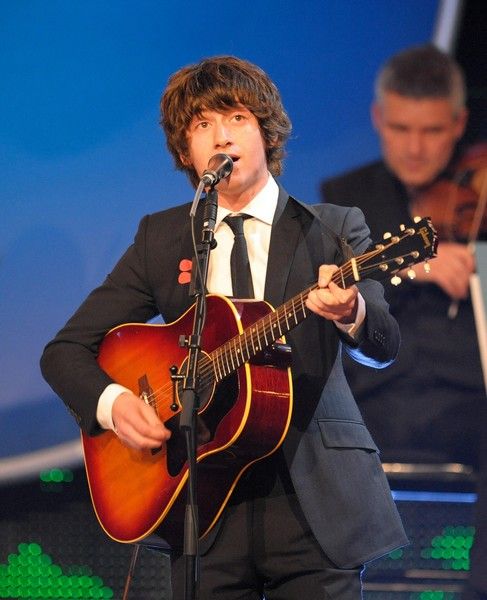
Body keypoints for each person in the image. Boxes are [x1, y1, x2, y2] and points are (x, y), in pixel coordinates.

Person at [40, 55, 408, 599]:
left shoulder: (332, 227)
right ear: (186, 152)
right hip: (201, 504)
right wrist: (115, 404)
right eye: (201, 124)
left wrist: (350, 313)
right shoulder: (162, 239)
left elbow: (384, 343)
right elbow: (65, 351)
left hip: (314, 503)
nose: (222, 136)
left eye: (236, 118)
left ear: (266, 131)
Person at [321, 45, 487, 599]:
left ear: (459, 124)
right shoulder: (344, 200)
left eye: (433, 131)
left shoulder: (477, 194)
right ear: (378, 120)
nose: (415, 149)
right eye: (401, 128)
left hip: (468, 402)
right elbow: (335, 286)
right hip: (374, 403)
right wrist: (418, 263)